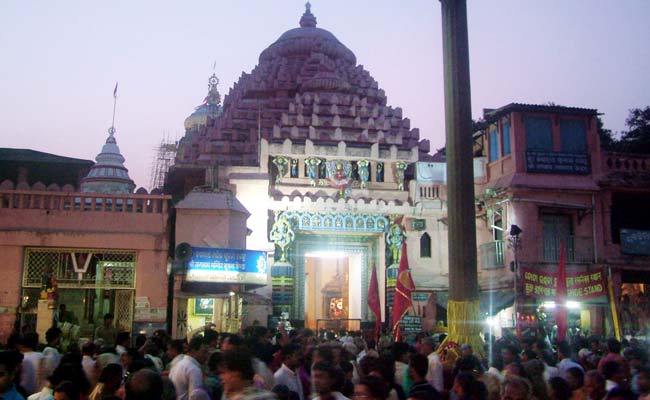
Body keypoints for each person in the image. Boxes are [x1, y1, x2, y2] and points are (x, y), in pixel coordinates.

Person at [169, 336, 208, 400]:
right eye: (204, 352)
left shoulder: (179, 363)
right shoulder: (193, 369)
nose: (206, 356)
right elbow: (195, 397)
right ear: (193, 351)